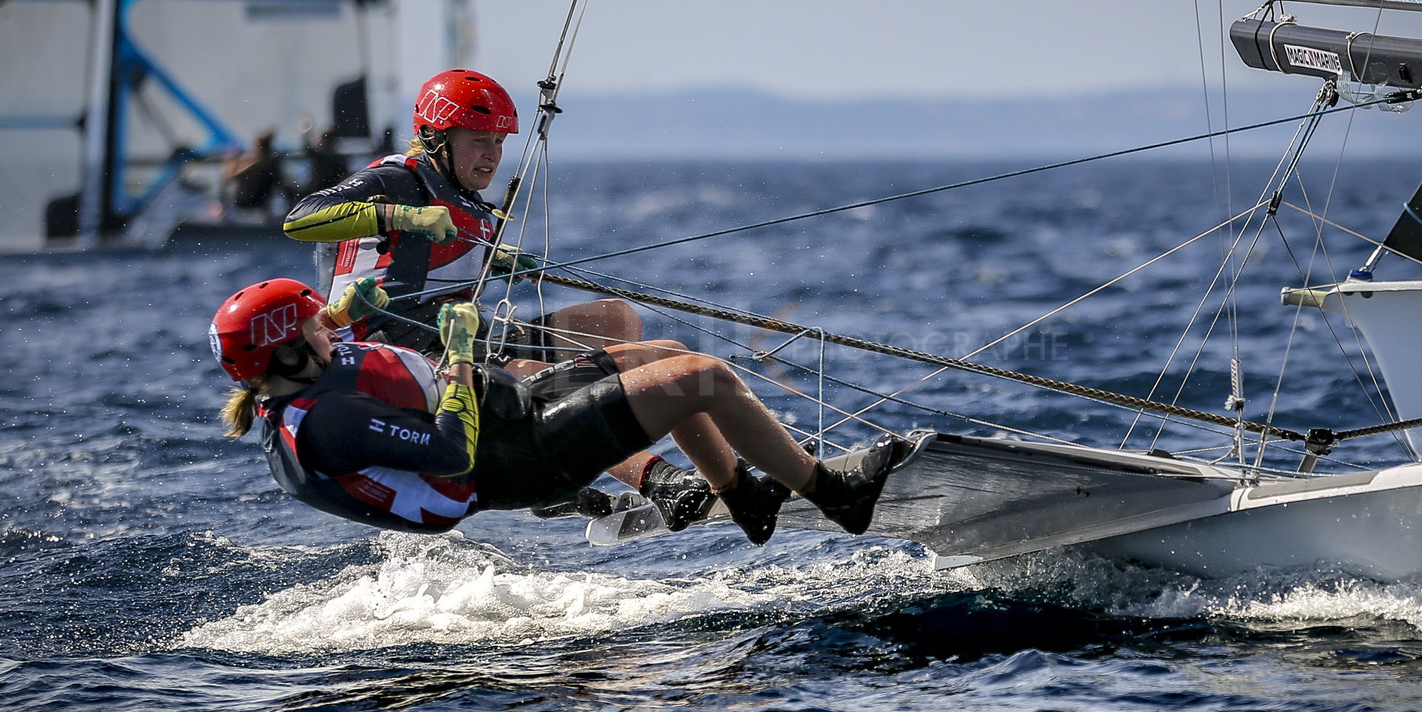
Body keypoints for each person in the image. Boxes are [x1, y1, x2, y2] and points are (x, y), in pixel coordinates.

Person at [210, 277, 904, 543]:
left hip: (511, 409)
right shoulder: (325, 423)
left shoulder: (298, 377)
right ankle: (835, 495)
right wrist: (455, 357)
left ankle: (742, 496)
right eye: (312, 331)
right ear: (283, 358)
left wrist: (343, 309)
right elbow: (449, 453)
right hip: (517, 457)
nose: (326, 332)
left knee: (660, 351)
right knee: (703, 377)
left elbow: (348, 354)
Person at [281, 68, 638, 363]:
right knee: (531, 376)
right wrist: (404, 216)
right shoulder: (398, 178)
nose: (492, 154)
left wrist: (491, 256)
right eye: (478, 140)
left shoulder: (471, 204)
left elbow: (432, 259)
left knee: (616, 319)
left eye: (498, 141)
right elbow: (299, 219)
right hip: (386, 356)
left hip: (458, 348)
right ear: (433, 136)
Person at [223, 130, 292, 221]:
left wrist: (233, 159)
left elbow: (228, 176)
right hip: (254, 208)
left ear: (259, 148)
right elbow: (284, 186)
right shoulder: (271, 164)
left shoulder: (256, 164)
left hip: (248, 208)